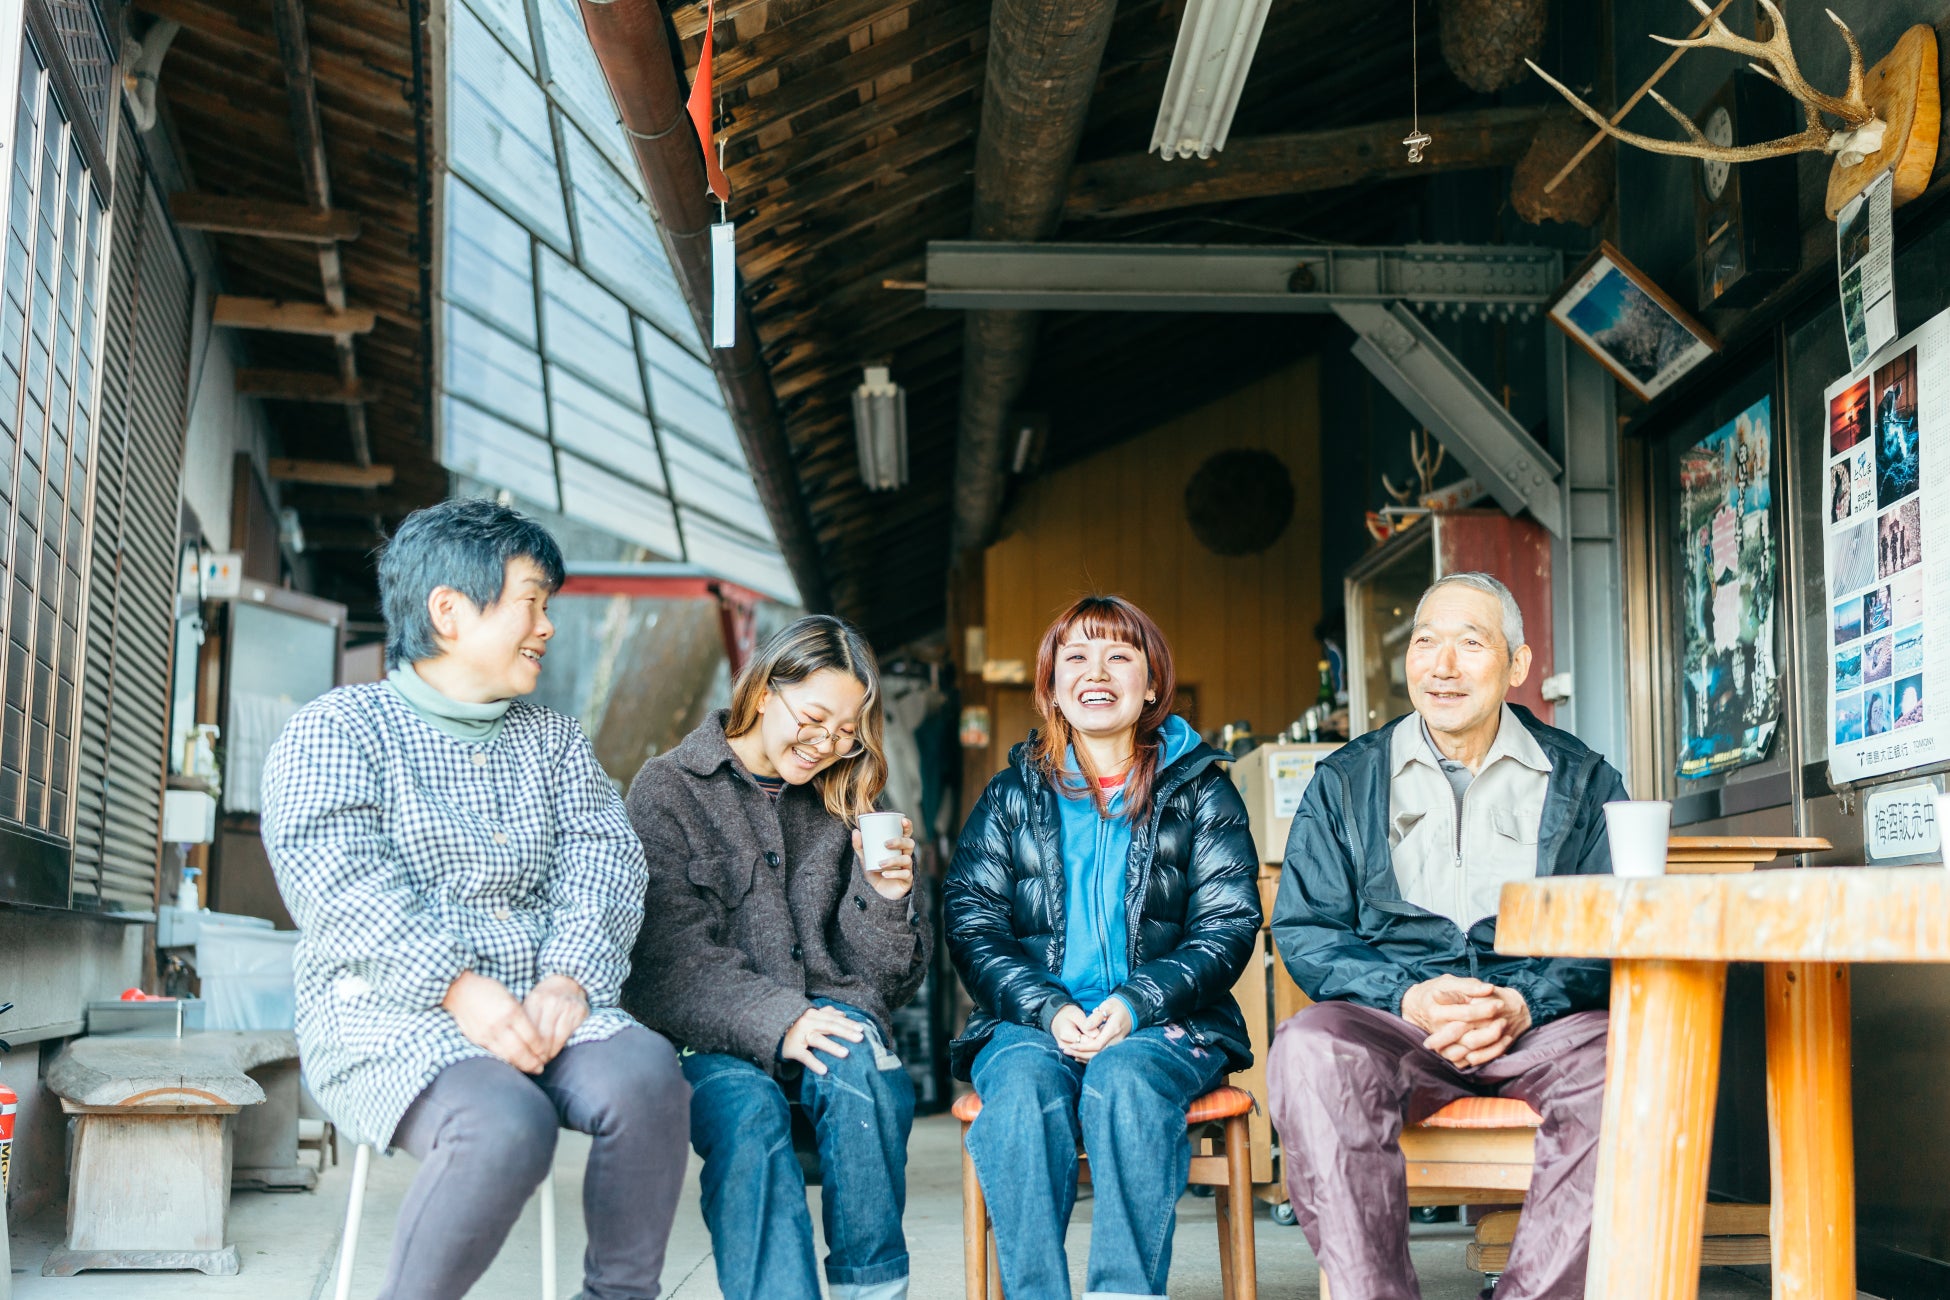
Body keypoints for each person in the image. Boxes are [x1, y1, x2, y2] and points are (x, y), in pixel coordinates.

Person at [263, 499, 688, 1300]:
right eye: (531, 600)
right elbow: (338, 882)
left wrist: (570, 976)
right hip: (390, 1013)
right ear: (450, 611)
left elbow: (606, 857)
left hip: (545, 998)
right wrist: (458, 989)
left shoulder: (553, 740)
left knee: (646, 1074)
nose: (547, 625)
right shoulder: (338, 729)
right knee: (505, 1124)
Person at [1267, 572, 1628, 1300]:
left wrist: (1522, 1002)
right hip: (1394, 1018)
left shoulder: (1584, 780)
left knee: (1627, 1061)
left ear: (1517, 665)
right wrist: (1411, 995)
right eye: (1426, 643)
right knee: (1309, 1050)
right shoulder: (1345, 781)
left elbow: (1611, 924)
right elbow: (1306, 929)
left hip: (1539, 1020)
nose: (1443, 665)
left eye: (1470, 643)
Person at [946, 594, 1260, 1300]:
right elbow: (971, 923)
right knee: (1021, 1092)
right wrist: (1048, 1007)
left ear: (1151, 684)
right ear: (1051, 685)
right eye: (1076, 656)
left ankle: (1122, 1291)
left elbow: (1229, 924)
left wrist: (1135, 1002)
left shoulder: (1202, 792)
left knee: (1124, 1082)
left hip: (1167, 1022)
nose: (1097, 671)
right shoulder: (1009, 798)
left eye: (1120, 655)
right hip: (1031, 1023)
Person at [622, 616, 933, 1300]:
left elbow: (888, 981)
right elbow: (664, 963)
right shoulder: (668, 790)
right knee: (748, 1116)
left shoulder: (851, 798)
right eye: (815, 717)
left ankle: (873, 1290)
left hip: (829, 1017)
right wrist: (780, 1020)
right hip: (708, 1042)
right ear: (765, 690)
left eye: (848, 728)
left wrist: (885, 897)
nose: (829, 743)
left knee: (867, 1071)